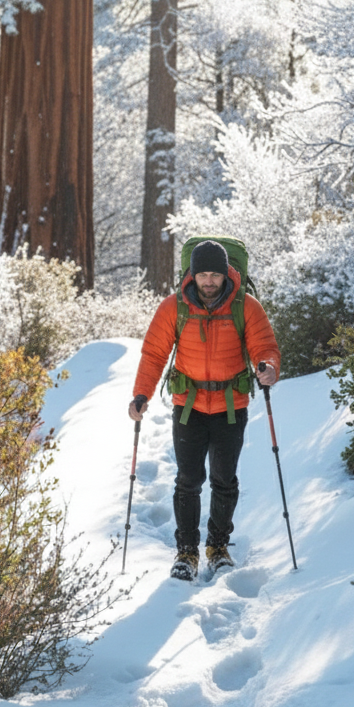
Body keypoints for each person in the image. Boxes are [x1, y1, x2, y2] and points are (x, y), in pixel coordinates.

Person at [129, 239, 280, 580]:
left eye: (215, 274)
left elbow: (265, 346)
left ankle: (217, 547)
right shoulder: (174, 308)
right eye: (203, 275)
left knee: (224, 479)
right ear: (192, 275)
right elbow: (154, 355)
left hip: (231, 406)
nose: (209, 281)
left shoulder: (247, 307)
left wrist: (268, 367)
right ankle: (186, 553)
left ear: (226, 273)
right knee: (188, 480)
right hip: (189, 406)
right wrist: (141, 395)